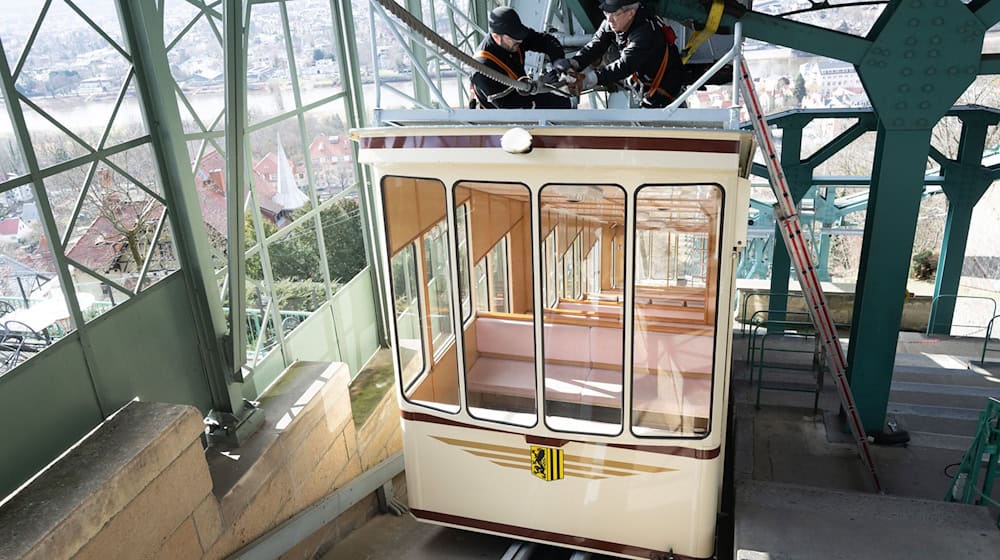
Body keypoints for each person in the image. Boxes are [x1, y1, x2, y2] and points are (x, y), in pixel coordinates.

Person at [557, 1, 684, 108]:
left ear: (631, 13)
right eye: (606, 13)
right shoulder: (613, 22)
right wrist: (574, 64)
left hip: (665, 88)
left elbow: (625, 65)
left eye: (615, 14)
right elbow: (596, 44)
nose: (609, 19)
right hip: (643, 82)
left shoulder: (645, 32)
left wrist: (588, 80)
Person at [470, 7, 571, 109]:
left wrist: (558, 59)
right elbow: (509, 106)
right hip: (499, 113)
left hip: (523, 93)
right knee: (559, 104)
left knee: (563, 101)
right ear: (496, 37)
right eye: (514, 39)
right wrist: (538, 88)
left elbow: (546, 41)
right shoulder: (482, 67)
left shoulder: (514, 38)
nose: (520, 41)